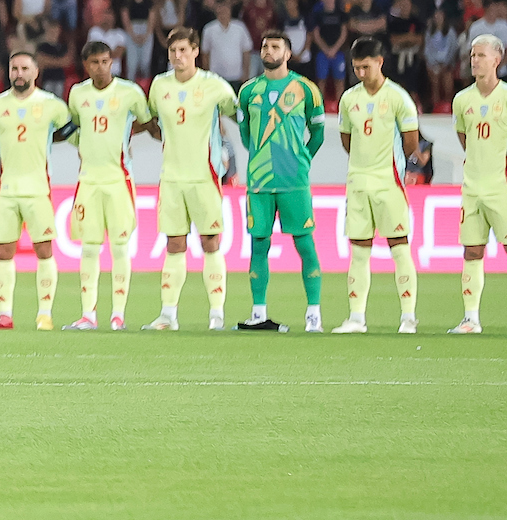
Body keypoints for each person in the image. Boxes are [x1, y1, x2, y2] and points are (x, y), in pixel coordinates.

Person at [143, 27, 243, 332]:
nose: (177, 56)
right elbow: (150, 120)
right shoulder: (159, 86)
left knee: (210, 242)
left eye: (183, 50)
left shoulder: (215, 86)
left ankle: (216, 315)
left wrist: (229, 159)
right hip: (171, 178)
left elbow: (237, 115)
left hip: (205, 177)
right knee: (174, 244)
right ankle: (168, 315)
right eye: (173, 51)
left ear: (196, 51)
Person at [236, 31, 327, 333]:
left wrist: (301, 160)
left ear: (288, 53)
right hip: (259, 182)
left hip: (294, 181)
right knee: (258, 244)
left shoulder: (306, 89)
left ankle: (313, 313)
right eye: (265, 46)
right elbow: (247, 135)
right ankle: (258, 312)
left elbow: (318, 135)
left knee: (305, 244)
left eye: (276, 47)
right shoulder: (248, 91)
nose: (269, 51)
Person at [331, 36, 422, 335]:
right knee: (359, 250)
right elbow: (347, 139)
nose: (360, 73)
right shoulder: (348, 99)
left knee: (399, 247)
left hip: (389, 183)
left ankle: (408, 317)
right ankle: (356, 318)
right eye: (356, 68)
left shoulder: (398, 97)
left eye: (366, 67)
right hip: (358, 183)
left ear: (380, 62)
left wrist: (392, 165)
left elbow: (411, 142)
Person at [0, 51, 73, 331]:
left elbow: (70, 134)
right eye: (14, 68)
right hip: (6, 191)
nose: (19, 73)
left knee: (44, 250)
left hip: (38, 190)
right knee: (5, 251)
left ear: (35, 72)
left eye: (24, 68)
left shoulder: (51, 105)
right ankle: (4, 314)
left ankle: (44, 313)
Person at [449, 34, 507, 334]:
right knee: (472, 252)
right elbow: (464, 137)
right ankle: (470, 318)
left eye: (481, 55)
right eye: (473, 55)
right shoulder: (462, 100)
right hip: (472, 188)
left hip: (503, 188)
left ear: (497, 60)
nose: (474, 60)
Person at [64, 40, 154, 331]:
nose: (101, 67)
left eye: (105, 61)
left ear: (112, 62)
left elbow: (147, 122)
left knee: (119, 247)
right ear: (86, 65)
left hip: (118, 179)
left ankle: (118, 314)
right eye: (94, 63)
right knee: (89, 248)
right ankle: (88, 314)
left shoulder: (130, 93)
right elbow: (76, 126)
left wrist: (125, 134)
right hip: (88, 180)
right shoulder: (77, 94)